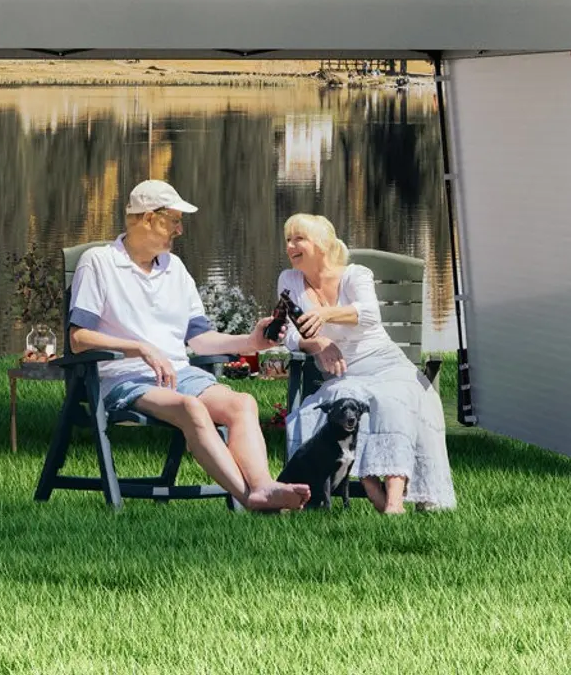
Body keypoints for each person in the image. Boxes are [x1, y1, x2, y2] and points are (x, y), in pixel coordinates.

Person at [68, 179, 310, 512]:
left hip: (179, 374)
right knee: (191, 408)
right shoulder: (99, 262)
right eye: (174, 220)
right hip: (123, 378)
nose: (180, 230)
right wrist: (140, 348)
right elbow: (78, 338)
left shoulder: (174, 268)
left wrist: (251, 341)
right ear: (149, 218)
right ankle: (252, 497)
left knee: (242, 403)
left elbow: (199, 339)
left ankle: (263, 487)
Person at [279, 213, 456, 514]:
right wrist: (317, 343)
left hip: (387, 366)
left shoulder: (355, 275)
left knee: (393, 401)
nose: (290, 246)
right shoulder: (289, 280)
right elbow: (289, 334)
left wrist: (325, 314)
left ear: (321, 244)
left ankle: (394, 504)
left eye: (299, 239)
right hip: (345, 375)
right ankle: (373, 490)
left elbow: (370, 314)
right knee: (341, 399)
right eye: (288, 240)